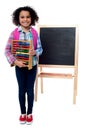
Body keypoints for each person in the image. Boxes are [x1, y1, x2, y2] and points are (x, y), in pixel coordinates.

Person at [5, 6, 43, 125]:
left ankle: (30, 113)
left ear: (32, 18)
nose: (25, 19)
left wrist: (35, 52)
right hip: (19, 67)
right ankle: (22, 113)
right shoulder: (14, 33)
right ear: (18, 19)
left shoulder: (35, 33)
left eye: (28, 17)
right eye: (22, 17)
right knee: (21, 90)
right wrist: (15, 61)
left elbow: (40, 49)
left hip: (32, 67)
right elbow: (7, 50)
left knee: (30, 91)